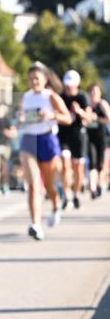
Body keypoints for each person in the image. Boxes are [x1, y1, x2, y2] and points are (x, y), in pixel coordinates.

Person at [18, 62, 71, 240]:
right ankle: (35, 224)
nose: (34, 81)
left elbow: (68, 118)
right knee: (33, 185)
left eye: (37, 78)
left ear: (45, 79)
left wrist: (51, 115)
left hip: (47, 139)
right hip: (29, 140)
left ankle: (56, 206)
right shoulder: (25, 97)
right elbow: (21, 117)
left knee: (49, 186)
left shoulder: (51, 96)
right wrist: (21, 119)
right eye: (31, 78)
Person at [59, 70, 92, 209]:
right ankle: (67, 196)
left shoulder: (83, 97)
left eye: (71, 85)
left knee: (78, 167)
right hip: (63, 135)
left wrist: (79, 111)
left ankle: (76, 193)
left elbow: (89, 118)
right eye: (67, 85)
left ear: (77, 84)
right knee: (65, 165)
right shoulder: (60, 97)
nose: (69, 88)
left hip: (78, 135)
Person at [86, 83, 110, 199]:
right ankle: (92, 188)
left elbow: (108, 119)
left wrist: (97, 118)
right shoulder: (87, 106)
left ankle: (100, 184)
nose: (93, 94)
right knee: (92, 162)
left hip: (102, 137)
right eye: (92, 92)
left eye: (96, 92)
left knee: (101, 163)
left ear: (100, 93)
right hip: (90, 137)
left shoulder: (103, 104)